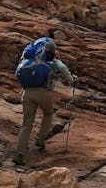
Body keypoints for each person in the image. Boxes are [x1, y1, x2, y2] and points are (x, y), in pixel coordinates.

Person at [13, 37, 75, 165]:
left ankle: (19, 154)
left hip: (26, 92)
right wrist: (71, 80)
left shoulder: (28, 58)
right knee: (48, 113)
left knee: (26, 124)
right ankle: (40, 139)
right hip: (42, 92)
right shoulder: (52, 62)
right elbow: (62, 68)